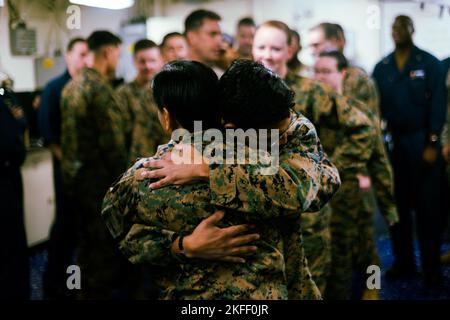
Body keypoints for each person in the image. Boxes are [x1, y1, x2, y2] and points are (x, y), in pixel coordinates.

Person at [102, 60, 341, 299]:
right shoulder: (272, 163)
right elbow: (321, 180)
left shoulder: (146, 175)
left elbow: (118, 230)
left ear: (166, 117)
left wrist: (181, 246)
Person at [252, 20, 375, 299]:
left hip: (309, 217)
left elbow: (363, 126)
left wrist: (327, 168)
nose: (268, 54)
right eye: (261, 47)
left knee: (317, 285)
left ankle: (373, 286)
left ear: (290, 50)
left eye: (276, 48)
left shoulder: (311, 90)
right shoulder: (244, 92)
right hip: (262, 216)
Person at [61, 30, 138, 299]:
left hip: (74, 182)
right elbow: (113, 145)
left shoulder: (72, 86)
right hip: (98, 185)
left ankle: (81, 292)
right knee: (102, 253)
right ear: (108, 52)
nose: (117, 59)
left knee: (84, 248)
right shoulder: (100, 90)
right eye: (117, 53)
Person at [314, 50, 398, 299]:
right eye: (316, 71)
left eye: (326, 72)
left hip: (355, 191)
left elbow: (379, 159)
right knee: (333, 254)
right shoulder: (308, 108)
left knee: (367, 250)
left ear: (342, 73)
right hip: (323, 197)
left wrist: (388, 205)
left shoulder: (357, 111)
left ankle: (373, 285)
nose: (319, 77)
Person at [373, 15, 447, 286]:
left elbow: (438, 105)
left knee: (429, 210)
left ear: (412, 30)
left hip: (422, 144)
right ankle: (403, 263)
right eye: (394, 27)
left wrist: (433, 142)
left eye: (403, 27)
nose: (397, 32)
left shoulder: (429, 63)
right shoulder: (382, 67)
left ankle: (431, 268)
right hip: (394, 146)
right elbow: (374, 109)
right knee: (397, 209)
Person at [38, 37, 89, 299]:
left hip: (90, 173)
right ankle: (54, 284)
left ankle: (79, 284)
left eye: (88, 54)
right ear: (68, 56)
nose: (85, 60)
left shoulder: (91, 89)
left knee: (85, 230)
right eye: (80, 54)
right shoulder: (54, 89)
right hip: (67, 171)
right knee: (65, 228)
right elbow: (49, 137)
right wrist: (70, 167)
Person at [117, 39, 167, 165]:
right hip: (135, 160)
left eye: (152, 61)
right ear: (134, 62)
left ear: (161, 60)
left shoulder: (167, 92)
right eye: (142, 61)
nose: (148, 66)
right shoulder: (122, 94)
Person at [0, 87, 29, 300]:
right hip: (4, 181)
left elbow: (22, 121)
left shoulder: (6, 96)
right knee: (11, 251)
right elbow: (12, 144)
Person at [184, 9, 224, 76]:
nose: (219, 41)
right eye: (212, 34)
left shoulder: (221, 77)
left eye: (220, 35)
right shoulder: (173, 78)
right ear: (191, 37)